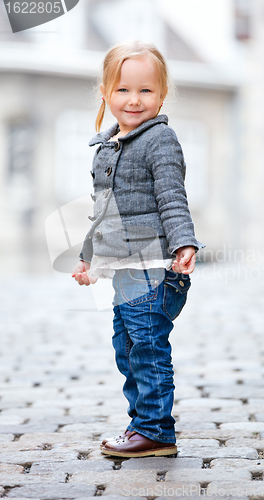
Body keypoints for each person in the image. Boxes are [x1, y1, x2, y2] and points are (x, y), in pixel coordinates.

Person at [72, 40, 204, 458]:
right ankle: (141, 424)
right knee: (127, 350)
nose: (134, 100)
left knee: (147, 348)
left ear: (162, 95)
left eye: (146, 90)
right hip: (127, 271)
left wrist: (184, 242)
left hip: (154, 267)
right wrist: (88, 256)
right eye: (124, 90)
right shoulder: (107, 148)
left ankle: (155, 430)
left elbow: (171, 196)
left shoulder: (160, 140)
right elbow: (102, 211)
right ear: (106, 93)